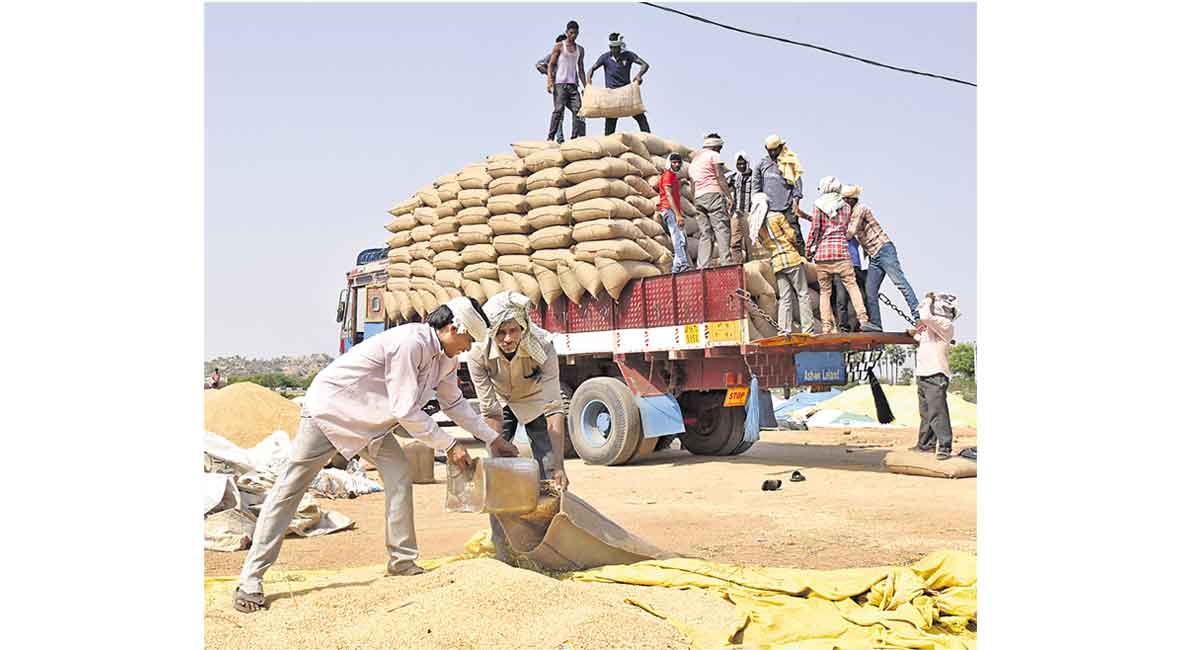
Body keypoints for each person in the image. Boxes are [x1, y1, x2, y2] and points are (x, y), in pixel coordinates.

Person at [232, 297, 520, 614]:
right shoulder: (410, 343)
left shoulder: (446, 358)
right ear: (454, 328)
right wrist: (450, 446)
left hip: (372, 424)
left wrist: (493, 439)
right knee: (289, 490)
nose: (468, 348)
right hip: (331, 413)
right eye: (468, 340)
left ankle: (402, 562)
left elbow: (453, 403)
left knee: (399, 475)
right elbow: (405, 409)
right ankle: (250, 580)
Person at [467, 291, 569, 564]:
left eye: (513, 331)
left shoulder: (543, 345)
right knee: (497, 476)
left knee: (550, 473)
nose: (508, 339)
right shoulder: (477, 352)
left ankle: (548, 547)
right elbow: (490, 410)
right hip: (500, 402)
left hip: (534, 400)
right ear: (491, 333)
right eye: (501, 333)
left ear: (523, 328)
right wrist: (497, 455)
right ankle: (503, 548)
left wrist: (559, 464)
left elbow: (553, 407)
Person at [843, 184, 922, 328]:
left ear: (852, 199)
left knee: (901, 284)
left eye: (845, 199)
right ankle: (876, 324)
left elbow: (850, 233)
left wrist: (832, 234)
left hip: (884, 250)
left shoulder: (860, 210)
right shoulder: (850, 215)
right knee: (870, 290)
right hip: (874, 256)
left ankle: (918, 318)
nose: (843, 203)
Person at [806, 176, 877, 334]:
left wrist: (808, 249)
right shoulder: (845, 207)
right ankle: (863, 319)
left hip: (823, 254)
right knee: (852, 286)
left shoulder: (818, 205)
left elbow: (815, 229)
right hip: (842, 252)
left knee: (825, 292)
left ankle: (826, 326)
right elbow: (846, 228)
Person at [750, 192, 816, 334]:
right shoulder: (777, 217)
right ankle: (808, 329)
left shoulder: (757, 226)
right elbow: (792, 235)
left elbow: (763, 245)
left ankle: (783, 330)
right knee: (802, 294)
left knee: (785, 297)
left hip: (777, 263)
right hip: (791, 258)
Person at [909, 293, 959, 459]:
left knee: (937, 412)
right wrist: (913, 334)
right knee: (926, 414)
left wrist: (928, 298)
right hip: (924, 374)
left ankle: (945, 446)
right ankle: (925, 445)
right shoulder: (933, 328)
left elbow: (925, 316)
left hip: (935, 374)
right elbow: (923, 339)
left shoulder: (946, 324)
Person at [587, 32, 651, 135]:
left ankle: (648, 137)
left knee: (640, 117)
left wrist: (639, 75)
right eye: (612, 48)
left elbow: (645, 65)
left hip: (626, 93)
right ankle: (608, 141)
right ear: (610, 47)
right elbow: (591, 69)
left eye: (616, 47)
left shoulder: (628, 55)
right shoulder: (605, 57)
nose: (615, 50)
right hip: (611, 95)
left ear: (620, 46)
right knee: (610, 124)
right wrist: (588, 82)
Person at [752, 134, 805, 250]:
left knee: (794, 235)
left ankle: (802, 256)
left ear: (780, 147)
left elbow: (797, 183)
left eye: (775, 150)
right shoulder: (762, 164)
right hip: (769, 208)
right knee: (772, 237)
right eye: (770, 150)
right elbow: (756, 186)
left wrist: (796, 202)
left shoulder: (789, 162)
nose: (772, 153)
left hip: (787, 206)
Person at [690, 133, 735, 268]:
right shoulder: (713, 155)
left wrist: (695, 201)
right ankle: (726, 263)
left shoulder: (695, 160)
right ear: (716, 146)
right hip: (713, 195)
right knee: (721, 229)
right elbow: (719, 176)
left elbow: (692, 184)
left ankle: (702, 265)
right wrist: (729, 196)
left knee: (705, 233)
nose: (720, 151)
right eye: (720, 148)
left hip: (698, 198)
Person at [546, 20, 587, 142]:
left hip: (573, 85)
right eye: (571, 33)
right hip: (560, 85)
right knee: (558, 110)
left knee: (579, 110)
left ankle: (576, 138)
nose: (573, 35)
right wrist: (550, 81)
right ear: (567, 32)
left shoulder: (580, 49)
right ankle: (550, 137)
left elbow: (581, 69)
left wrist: (586, 86)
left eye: (576, 33)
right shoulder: (559, 46)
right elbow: (551, 65)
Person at [657, 153, 691, 273]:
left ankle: (676, 268)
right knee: (678, 238)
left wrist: (682, 182)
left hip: (673, 210)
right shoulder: (667, 176)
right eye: (674, 162)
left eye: (678, 162)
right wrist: (678, 215)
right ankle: (683, 263)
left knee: (683, 239)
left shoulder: (672, 176)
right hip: (669, 210)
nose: (676, 165)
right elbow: (668, 194)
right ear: (669, 163)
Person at [536, 34, 570, 143]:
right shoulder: (553, 55)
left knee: (579, 111)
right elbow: (539, 65)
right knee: (559, 112)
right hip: (559, 87)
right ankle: (559, 138)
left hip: (570, 87)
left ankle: (577, 136)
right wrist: (551, 75)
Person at [725, 152, 754, 264]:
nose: (741, 166)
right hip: (736, 214)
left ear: (747, 163)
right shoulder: (734, 177)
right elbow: (723, 185)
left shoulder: (754, 177)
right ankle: (738, 265)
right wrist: (728, 199)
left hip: (749, 213)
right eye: (738, 164)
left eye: (743, 164)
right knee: (735, 242)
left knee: (750, 242)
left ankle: (751, 264)